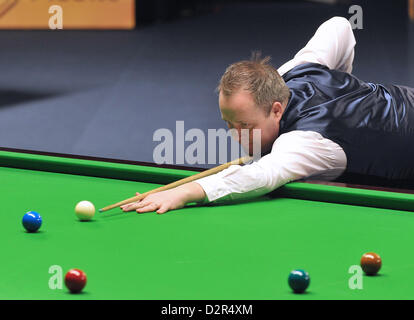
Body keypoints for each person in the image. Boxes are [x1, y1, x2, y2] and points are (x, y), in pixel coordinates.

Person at [121, 16, 414, 214]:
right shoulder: (294, 71)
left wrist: (187, 192)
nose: (236, 135)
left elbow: (261, 175)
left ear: (276, 109)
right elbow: (339, 26)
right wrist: (345, 86)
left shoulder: (304, 142)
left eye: (246, 126)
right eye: (229, 124)